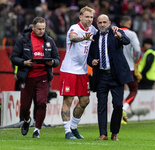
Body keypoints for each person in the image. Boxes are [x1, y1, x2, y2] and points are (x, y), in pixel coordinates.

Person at [10, 17, 60, 138]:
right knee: (24, 107)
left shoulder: (49, 41)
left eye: (43, 28)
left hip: (43, 77)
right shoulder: (23, 40)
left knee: (42, 102)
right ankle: (27, 121)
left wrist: (52, 63)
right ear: (33, 28)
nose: (41, 31)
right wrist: (24, 63)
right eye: (39, 29)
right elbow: (14, 57)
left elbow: (57, 58)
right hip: (27, 77)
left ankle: (37, 129)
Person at [87, 14, 133, 141]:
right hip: (101, 75)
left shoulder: (116, 32)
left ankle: (114, 132)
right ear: (97, 24)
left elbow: (126, 41)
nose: (102, 24)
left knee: (118, 105)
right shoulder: (94, 37)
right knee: (101, 105)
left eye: (104, 22)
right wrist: (92, 62)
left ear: (109, 22)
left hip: (116, 76)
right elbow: (89, 56)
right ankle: (103, 134)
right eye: (100, 22)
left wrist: (120, 36)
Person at [59, 6, 98, 140]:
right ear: (80, 17)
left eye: (91, 17)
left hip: (82, 70)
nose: (89, 19)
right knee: (68, 100)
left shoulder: (93, 29)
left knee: (85, 100)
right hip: (69, 69)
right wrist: (82, 38)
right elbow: (73, 38)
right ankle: (67, 131)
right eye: (87, 17)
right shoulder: (74, 28)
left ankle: (74, 127)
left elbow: (102, 35)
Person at [119, 16, 142, 124]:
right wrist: (135, 60)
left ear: (120, 23)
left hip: (116, 67)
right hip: (129, 67)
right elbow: (137, 49)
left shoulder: (114, 32)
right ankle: (124, 108)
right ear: (130, 23)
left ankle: (117, 113)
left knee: (118, 90)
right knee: (133, 89)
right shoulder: (132, 34)